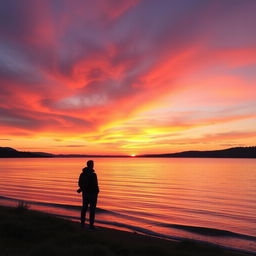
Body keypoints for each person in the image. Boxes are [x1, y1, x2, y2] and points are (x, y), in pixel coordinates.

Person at [77, 160, 99, 229]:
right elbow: (95, 184)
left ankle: (82, 224)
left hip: (85, 194)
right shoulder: (93, 174)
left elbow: (79, 183)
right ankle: (91, 225)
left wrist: (83, 189)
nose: (93, 165)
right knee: (92, 210)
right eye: (92, 164)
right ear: (91, 165)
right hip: (92, 194)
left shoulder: (82, 174)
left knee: (84, 208)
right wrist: (97, 191)